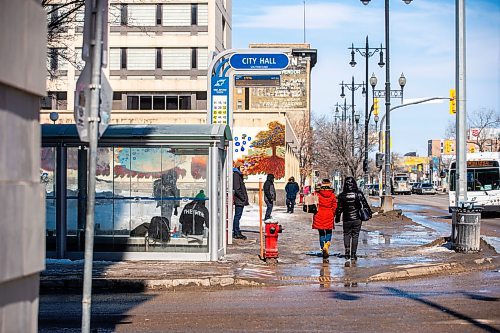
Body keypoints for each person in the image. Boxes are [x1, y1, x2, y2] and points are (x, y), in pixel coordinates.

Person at [335, 176, 372, 263]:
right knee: (355, 236)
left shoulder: (341, 195)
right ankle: (353, 254)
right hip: (357, 218)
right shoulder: (358, 194)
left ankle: (347, 252)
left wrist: (337, 218)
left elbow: (339, 209)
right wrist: (369, 213)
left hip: (346, 218)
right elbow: (365, 205)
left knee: (346, 235)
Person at [312, 179, 337, 259]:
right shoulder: (332, 195)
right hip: (329, 214)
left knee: (321, 232)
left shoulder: (317, 194)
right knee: (329, 231)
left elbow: (312, 201)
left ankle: (323, 247)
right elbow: (334, 206)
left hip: (319, 214)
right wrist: (332, 213)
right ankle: (326, 245)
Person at [233, 161, 249, 240]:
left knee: (238, 216)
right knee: (237, 216)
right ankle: (236, 232)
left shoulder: (239, 175)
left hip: (240, 199)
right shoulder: (236, 175)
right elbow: (237, 188)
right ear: (238, 167)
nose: (244, 169)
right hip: (239, 200)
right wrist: (243, 197)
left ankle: (236, 231)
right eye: (242, 167)